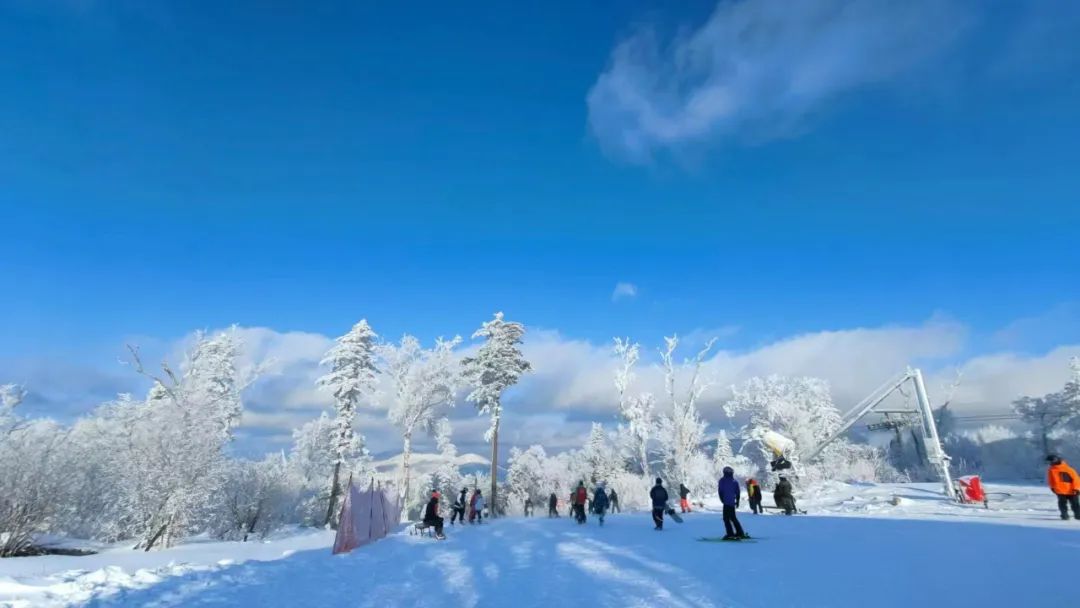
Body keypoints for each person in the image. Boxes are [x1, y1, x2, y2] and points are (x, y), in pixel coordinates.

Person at [1046, 454, 1080, 520]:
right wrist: (1052, 487)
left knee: (1075, 504)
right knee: (1062, 504)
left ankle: (1078, 515)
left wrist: (1077, 488)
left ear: (1056, 460)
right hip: (1060, 491)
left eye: (1051, 461)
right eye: (1049, 462)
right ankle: (1064, 515)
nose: (1050, 463)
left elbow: (1076, 479)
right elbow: (1051, 480)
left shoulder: (1068, 469)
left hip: (1072, 491)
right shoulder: (1051, 470)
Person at [718, 467, 748, 540]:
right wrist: (737, 501)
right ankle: (740, 532)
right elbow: (737, 492)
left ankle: (730, 534)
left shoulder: (722, 481)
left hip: (726, 502)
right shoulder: (735, 481)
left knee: (726, 519)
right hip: (732, 502)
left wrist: (722, 499)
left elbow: (720, 491)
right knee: (733, 518)